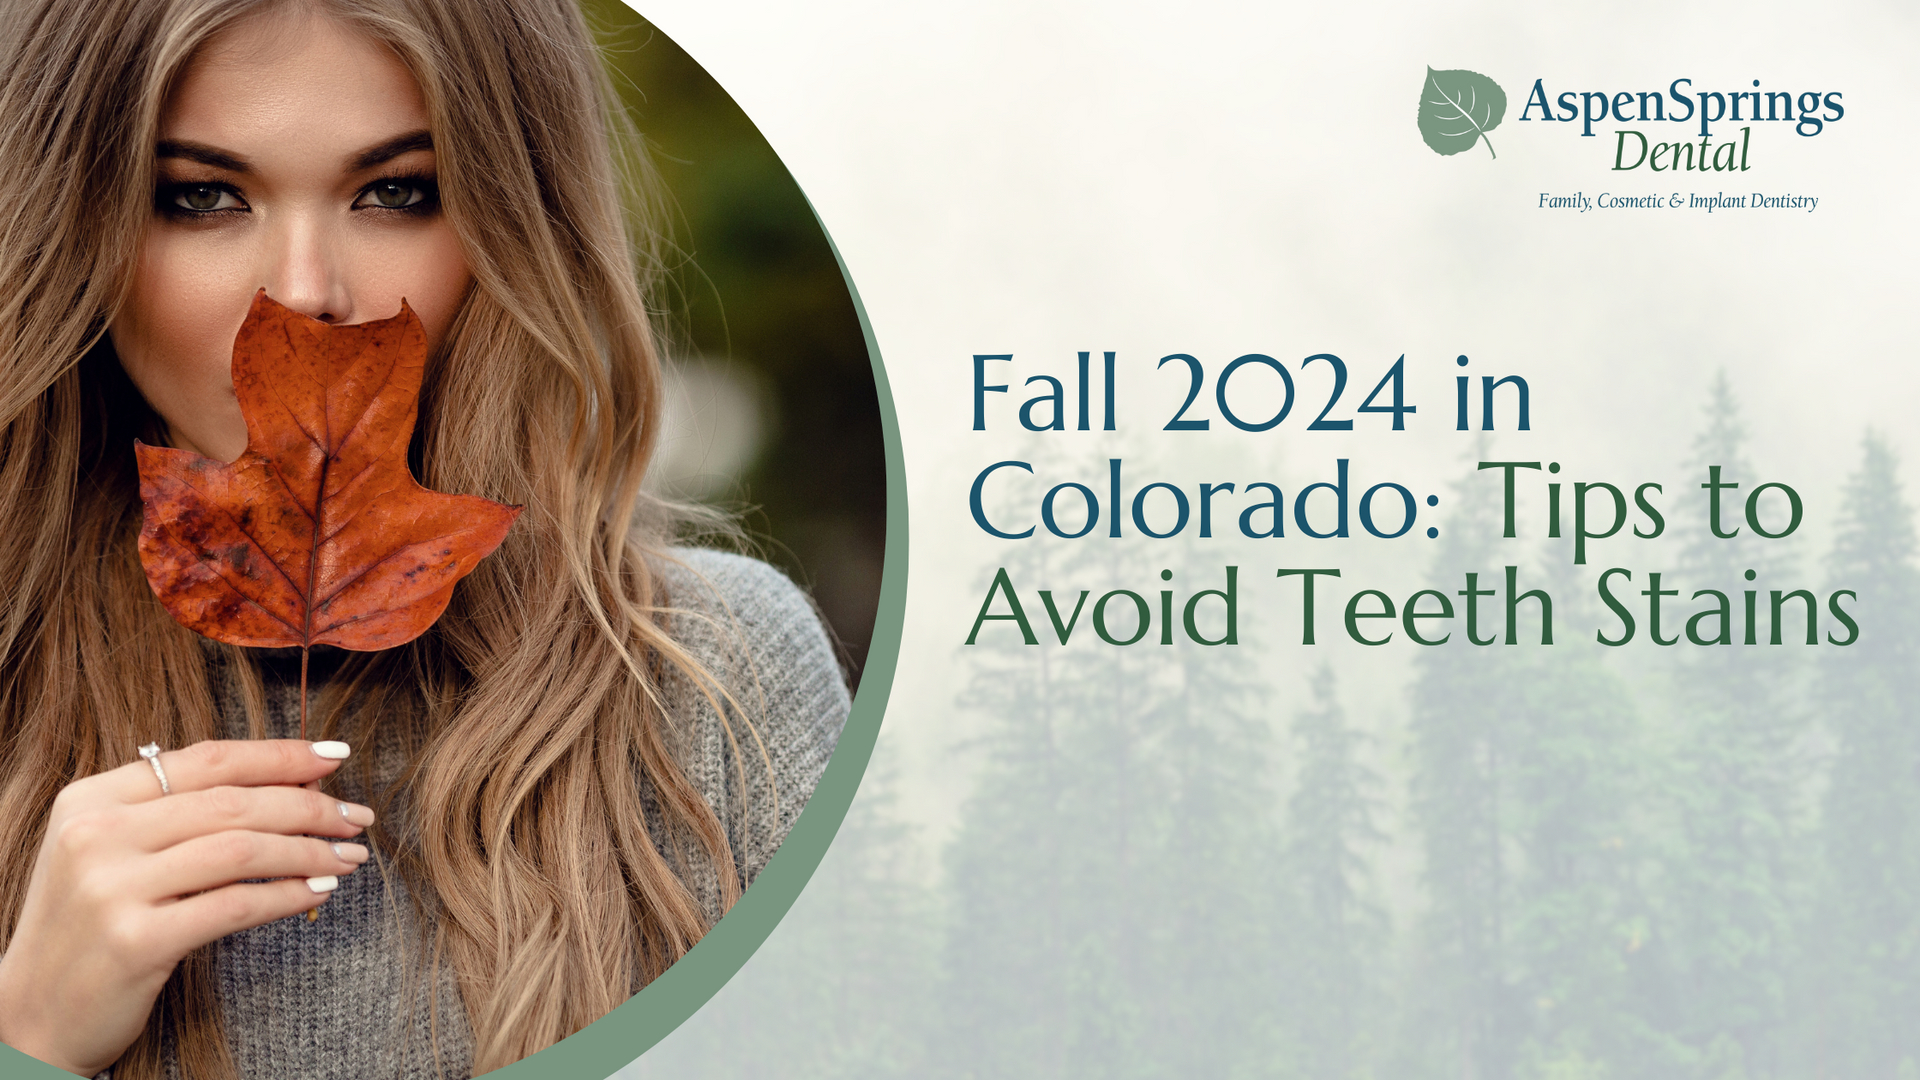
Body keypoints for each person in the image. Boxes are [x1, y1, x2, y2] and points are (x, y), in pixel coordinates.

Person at [0, 0, 853, 1076]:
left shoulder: (715, 690)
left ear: (514, 223)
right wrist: (26, 1038)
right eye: (201, 196)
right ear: (75, 228)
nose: (307, 292)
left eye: (397, 191)